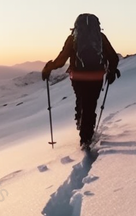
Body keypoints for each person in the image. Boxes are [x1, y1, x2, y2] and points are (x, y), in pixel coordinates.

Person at [41, 13, 120, 149]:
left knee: (81, 99)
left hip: (78, 77)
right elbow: (113, 57)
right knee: (91, 104)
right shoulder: (100, 37)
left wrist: (49, 68)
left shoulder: (72, 38)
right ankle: (86, 138)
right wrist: (112, 71)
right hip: (96, 76)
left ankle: (80, 121)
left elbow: (61, 60)